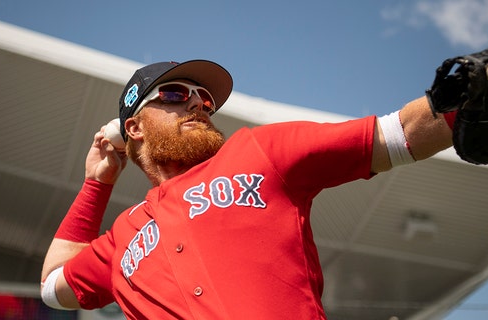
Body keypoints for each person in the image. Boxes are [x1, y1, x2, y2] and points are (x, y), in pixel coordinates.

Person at [40, 59, 454, 319]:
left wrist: (478, 96)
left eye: (204, 99)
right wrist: (97, 183)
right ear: (133, 127)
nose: (198, 104)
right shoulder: (121, 238)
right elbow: (51, 287)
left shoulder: (257, 151)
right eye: (174, 94)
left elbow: (397, 133)